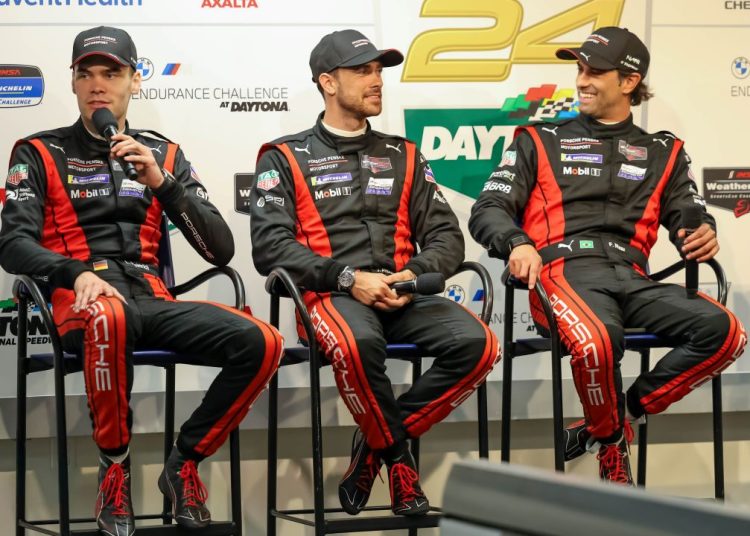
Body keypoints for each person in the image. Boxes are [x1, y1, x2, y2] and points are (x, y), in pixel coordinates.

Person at [0, 26, 283, 535]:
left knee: (263, 342)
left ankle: (184, 462)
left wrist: (163, 182)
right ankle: (115, 468)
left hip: (150, 296)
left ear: (135, 81)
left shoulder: (162, 154)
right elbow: (12, 244)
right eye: (86, 74)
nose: (97, 85)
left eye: (111, 73)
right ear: (73, 82)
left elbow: (219, 250)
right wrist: (74, 272)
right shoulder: (39, 151)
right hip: (81, 299)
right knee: (108, 316)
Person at [469, 26, 746, 485]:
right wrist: (516, 242)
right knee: (597, 341)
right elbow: (489, 208)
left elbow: (688, 213)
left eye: (595, 71)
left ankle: (613, 420)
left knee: (727, 332)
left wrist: (700, 232)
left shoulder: (664, 151)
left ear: (630, 81)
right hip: (561, 273)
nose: (582, 80)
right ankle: (613, 448)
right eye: (580, 69)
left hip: (632, 278)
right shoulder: (538, 139)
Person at [251, 29, 499, 516]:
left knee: (481, 345)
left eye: (379, 70)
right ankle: (400, 461)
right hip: (331, 296)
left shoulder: (404, 153)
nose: (377, 80)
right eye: (362, 70)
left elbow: (447, 238)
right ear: (327, 82)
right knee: (356, 344)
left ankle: (375, 445)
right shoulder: (283, 156)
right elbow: (270, 247)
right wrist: (348, 278)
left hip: (403, 293)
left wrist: (410, 276)